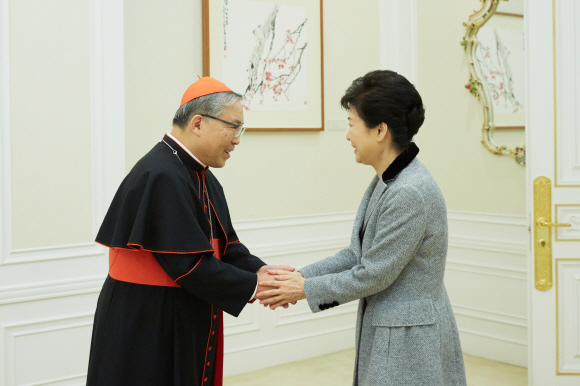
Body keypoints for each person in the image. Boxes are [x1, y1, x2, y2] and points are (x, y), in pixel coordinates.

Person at [257, 70, 467, 386]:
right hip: (390, 330)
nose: (347, 135)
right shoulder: (387, 179)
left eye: (352, 124)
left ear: (380, 130)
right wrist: (302, 276)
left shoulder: (409, 191)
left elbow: (373, 273)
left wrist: (303, 290)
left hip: (409, 338)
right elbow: (357, 253)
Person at [87, 77, 293, 386]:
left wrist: (263, 271)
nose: (237, 139)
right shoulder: (160, 174)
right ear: (198, 123)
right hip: (150, 321)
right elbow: (189, 265)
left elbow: (228, 246)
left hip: (183, 311)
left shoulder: (203, 175)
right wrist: (255, 285)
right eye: (233, 127)